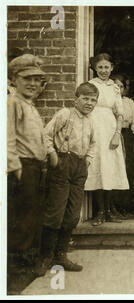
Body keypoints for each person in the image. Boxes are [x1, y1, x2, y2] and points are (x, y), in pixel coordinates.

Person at [34, 82, 98, 276]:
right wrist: (52, 155)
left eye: (93, 100)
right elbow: (46, 134)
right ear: (75, 99)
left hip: (79, 167)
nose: (89, 103)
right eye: (85, 98)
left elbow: (93, 143)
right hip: (62, 163)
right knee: (55, 213)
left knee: (72, 215)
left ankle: (60, 255)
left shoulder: (91, 121)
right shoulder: (65, 114)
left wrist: (87, 160)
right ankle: (45, 256)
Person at [7, 54, 48, 274]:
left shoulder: (29, 105)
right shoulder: (12, 103)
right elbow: (7, 137)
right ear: (14, 79)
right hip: (22, 167)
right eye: (27, 79)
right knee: (22, 215)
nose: (33, 84)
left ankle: (27, 260)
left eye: (37, 79)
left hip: (34, 166)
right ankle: (17, 265)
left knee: (32, 213)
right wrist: (16, 168)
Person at [85, 53, 129, 226]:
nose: (103, 70)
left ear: (112, 68)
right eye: (100, 67)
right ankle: (100, 211)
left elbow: (119, 113)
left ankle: (110, 211)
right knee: (97, 166)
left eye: (107, 67)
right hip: (95, 128)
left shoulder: (115, 88)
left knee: (110, 168)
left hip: (110, 129)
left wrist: (117, 134)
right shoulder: (90, 86)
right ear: (95, 68)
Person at [112, 74, 134, 214]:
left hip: (127, 136)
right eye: (116, 86)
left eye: (121, 86)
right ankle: (113, 205)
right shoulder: (108, 102)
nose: (119, 89)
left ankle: (126, 205)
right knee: (115, 169)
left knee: (129, 170)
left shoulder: (129, 102)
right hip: (113, 136)